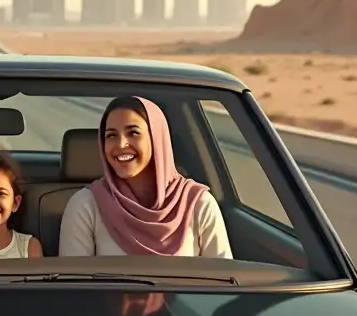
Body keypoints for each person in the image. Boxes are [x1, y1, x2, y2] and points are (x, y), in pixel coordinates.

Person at [58, 95, 233, 259]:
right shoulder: (86, 205)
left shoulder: (199, 204)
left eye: (133, 133)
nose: (120, 144)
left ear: (156, 139)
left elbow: (225, 285)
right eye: (111, 135)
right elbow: (74, 287)